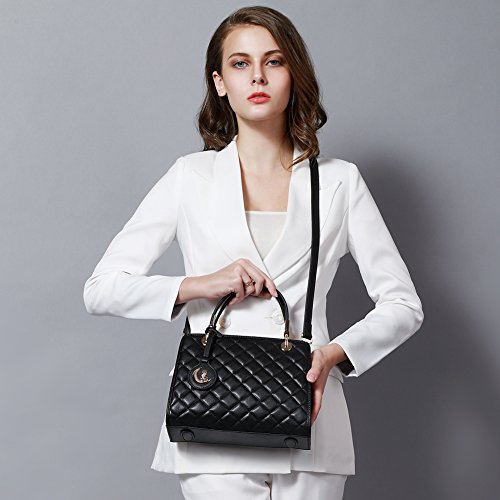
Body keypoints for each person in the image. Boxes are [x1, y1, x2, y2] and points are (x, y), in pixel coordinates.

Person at [83, 6, 424, 500]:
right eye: (240, 63)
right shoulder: (190, 178)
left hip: (310, 420)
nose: (258, 76)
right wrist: (201, 285)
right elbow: (100, 289)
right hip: (210, 420)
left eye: (274, 61)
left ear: (293, 75)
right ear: (220, 82)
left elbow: (403, 304)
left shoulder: (339, 182)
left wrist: (333, 355)